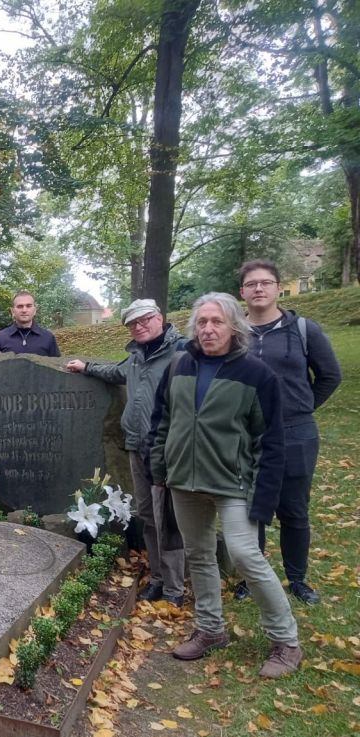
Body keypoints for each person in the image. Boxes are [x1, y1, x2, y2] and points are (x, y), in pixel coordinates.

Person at [149, 292, 302, 678]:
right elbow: (162, 419)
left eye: (217, 321)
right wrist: (160, 466)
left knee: (244, 554)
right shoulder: (178, 366)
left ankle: (285, 640)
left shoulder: (256, 375)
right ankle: (210, 630)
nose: (208, 329)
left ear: (234, 326)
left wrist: (263, 498)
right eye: (202, 322)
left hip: (233, 482)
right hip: (184, 479)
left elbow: (270, 440)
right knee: (198, 554)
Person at [66, 298, 186, 606]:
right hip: (136, 445)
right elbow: (115, 373)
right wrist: (87, 367)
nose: (140, 326)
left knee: (168, 519)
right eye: (133, 323)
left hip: (168, 448)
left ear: (160, 317)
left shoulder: (182, 352)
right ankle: (158, 578)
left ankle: (174, 588)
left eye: (145, 319)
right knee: (146, 515)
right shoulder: (135, 357)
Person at [235, 260, 342, 604]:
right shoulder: (234, 335)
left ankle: (297, 579)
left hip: (296, 434)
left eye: (266, 282)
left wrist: (302, 407)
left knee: (294, 509)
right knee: (253, 509)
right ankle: (252, 579)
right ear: (242, 292)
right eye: (252, 284)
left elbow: (330, 376)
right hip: (247, 436)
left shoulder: (303, 330)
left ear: (279, 287)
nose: (259, 289)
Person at [0, 291, 61, 356]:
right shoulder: (0, 338)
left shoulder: (47, 337)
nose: (24, 310)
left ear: (35, 310)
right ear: (12, 311)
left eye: (28, 306)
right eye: (20, 306)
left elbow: (58, 366)